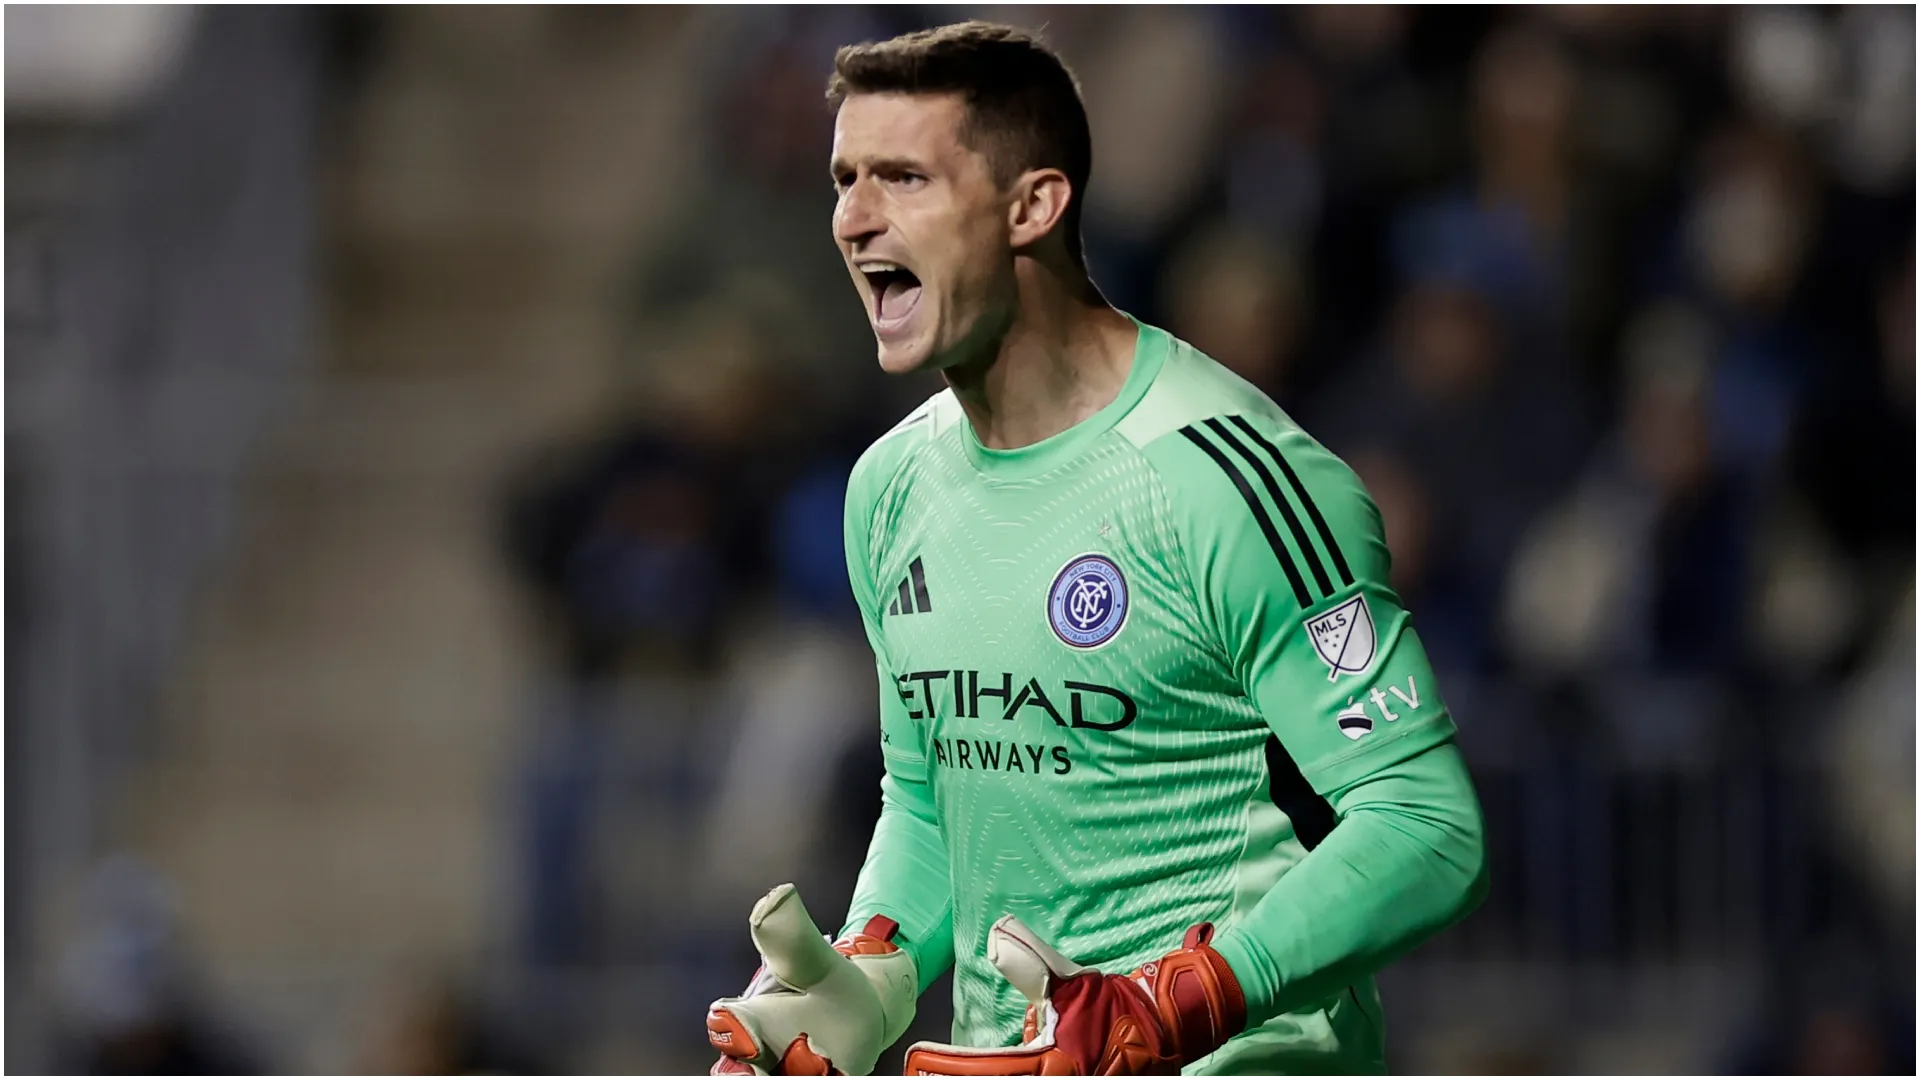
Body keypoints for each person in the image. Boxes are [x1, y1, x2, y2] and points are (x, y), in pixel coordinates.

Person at [705, 21, 1487, 1076]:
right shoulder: (889, 492)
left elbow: (1427, 827)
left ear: (1033, 204)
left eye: (902, 177)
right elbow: (934, 799)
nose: (851, 218)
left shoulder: (1232, 478)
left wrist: (1185, 999)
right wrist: (876, 969)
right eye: (844, 178)